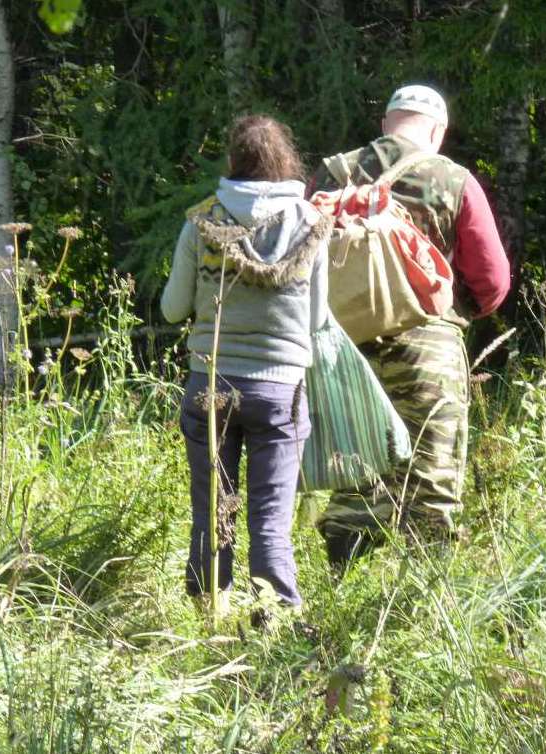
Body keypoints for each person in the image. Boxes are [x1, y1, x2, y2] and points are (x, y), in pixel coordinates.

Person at [309, 84, 511, 567]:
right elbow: (492, 280)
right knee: (432, 481)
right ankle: (422, 611)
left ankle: (339, 592)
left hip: (340, 348)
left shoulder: (334, 172)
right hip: (428, 346)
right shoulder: (453, 178)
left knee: (352, 472)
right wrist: (461, 310)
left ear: (385, 124)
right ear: (437, 132)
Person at [161, 114, 332, 612]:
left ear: (232, 162)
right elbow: (317, 318)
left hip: (209, 382)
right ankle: (273, 616)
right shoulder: (312, 225)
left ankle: (210, 610)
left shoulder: (203, 221)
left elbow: (173, 309)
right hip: (280, 391)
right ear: (286, 163)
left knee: (213, 509)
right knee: (271, 517)